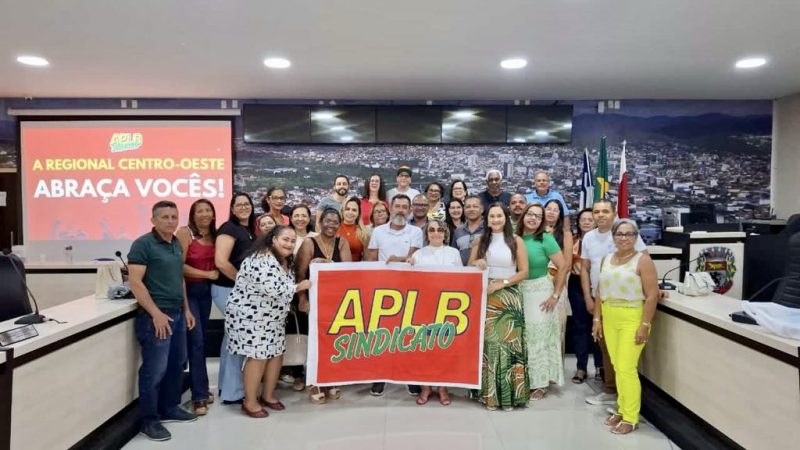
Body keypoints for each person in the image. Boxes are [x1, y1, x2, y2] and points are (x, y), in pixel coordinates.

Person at [128, 201, 197, 441]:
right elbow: (135, 283)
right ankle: (149, 420)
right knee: (154, 370)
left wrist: (186, 309)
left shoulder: (176, 243)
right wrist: (156, 314)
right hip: (156, 316)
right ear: (153, 220)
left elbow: (179, 279)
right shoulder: (143, 244)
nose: (170, 221)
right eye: (165, 217)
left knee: (176, 364)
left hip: (177, 314)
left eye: (173, 216)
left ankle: (169, 408)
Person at [226, 226, 311, 418]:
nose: (288, 244)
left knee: (276, 354)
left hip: (273, 318)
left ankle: (268, 395)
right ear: (273, 239)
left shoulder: (284, 259)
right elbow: (273, 288)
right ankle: (249, 402)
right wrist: (300, 286)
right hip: (251, 317)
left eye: (292, 241)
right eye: (285, 239)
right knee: (258, 357)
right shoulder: (260, 258)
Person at [592, 219, 658, 435]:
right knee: (617, 366)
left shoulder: (643, 260)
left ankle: (631, 417)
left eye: (629, 234)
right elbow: (601, 291)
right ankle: (622, 408)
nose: (624, 238)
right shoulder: (607, 259)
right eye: (619, 234)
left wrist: (645, 325)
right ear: (613, 236)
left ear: (636, 237)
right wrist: (597, 319)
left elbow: (651, 296)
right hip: (609, 316)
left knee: (626, 367)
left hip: (632, 317)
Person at [581, 199, 647, 407]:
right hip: (601, 300)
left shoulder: (626, 234)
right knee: (606, 348)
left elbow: (645, 262)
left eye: (605, 211)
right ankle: (611, 389)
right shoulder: (589, 237)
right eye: (596, 211)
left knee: (623, 356)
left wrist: (656, 290)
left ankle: (625, 398)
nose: (600, 215)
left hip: (628, 304)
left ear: (614, 213)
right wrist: (588, 298)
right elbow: (584, 269)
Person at [469, 203, 530, 411]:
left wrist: (502, 284)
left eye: (499, 216)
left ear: (506, 218)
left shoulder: (516, 241)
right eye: (492, 216)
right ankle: (490, 395)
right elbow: (469, 265)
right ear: (487, 219)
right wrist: (477, 262)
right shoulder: (480, 241)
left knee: (509, 345)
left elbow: (524, 272)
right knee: (490, 345)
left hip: (509, 295)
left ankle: (510, 395)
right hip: (487, 296)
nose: (495, 220)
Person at [365, 194, 424, 396]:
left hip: (409, 289)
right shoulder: (378, 232)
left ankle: (410, 378)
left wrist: (397, 259)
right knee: (382, 334)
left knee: (408, 334)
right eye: (397, 206)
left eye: (404, 207)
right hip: (383, 289)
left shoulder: (416, 232)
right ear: (390, 208)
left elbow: (413, 257)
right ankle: (379, 377)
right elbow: (370, 259)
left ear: (409, 210)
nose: (400, 210)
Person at [296, 208, 352, 403]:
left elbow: (347, 272)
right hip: (313, 301)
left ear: (339, 224)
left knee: (332, 341)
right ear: (320, 222)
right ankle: (313, 382)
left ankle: (331, 378)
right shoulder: (308, 243)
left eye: (335, 222)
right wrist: (302, 299)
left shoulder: (342, 242)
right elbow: (300, 274)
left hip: (335, 301)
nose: (331, 225)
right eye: (327, 221)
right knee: (314, 342)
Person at [516, 203, 568, 401]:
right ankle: (525, 379)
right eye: (530, 214)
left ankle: (541, 382)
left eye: (538, 217)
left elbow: (563, 266)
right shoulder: (515, 238)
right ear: (523, 216)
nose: (533, 218)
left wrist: (555, 295)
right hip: (520, 290)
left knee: (539, 337)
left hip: (541, 292)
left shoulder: (546, 239)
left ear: (542, 221)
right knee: (523, 337)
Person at [407, 219, 462, 406]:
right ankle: (425, 387)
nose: (436, 233)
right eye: (431, 230)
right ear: (427, 234)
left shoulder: (454, 253)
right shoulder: (419, 254)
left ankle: (442, 387)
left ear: (445, 233)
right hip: (425, 308)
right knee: (425, 349)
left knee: (444, 349)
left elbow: (464, 280)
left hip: (448, 310)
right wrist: (408, 265)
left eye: (440, 230)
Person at [175, 199, 219, 416]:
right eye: (199, 210)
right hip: (189, 292)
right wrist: (205, 274)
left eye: (208, 210)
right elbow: (178, 267)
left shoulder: (215, 235)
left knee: (200, 341)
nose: (204, 214)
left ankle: (200, 388)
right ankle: (199, 396)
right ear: (193, 215)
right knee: (197, 342)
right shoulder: (185, 234)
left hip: (206, 294)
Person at [212, 192, 256, 404]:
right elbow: (221, 262)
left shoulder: (247, 230)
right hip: (227, 289)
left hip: (239, 291)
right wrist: (242, 282)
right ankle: (233, 393)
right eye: (238, 204)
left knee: (231, 338)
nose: (243, 207)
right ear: (231, 208)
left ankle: (226, 387)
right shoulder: (228, 229)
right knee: (237, 339)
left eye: (246, 204)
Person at [568, 208, 602, 384]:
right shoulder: (573, 241)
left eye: (590, 219)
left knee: (597, 326)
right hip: (576, 286)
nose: (587, 222)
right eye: (583, 219)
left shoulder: (601, 242)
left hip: (597, 285)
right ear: (578, 222)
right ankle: (581, 367)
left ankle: (599, 366)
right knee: (580, 326)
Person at [543, 199, 573, 355]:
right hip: (537, 283)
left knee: (556, 326)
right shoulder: (534, 231)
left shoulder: (565, 235)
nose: (551, 212)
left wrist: (556, 285)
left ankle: (554, 370)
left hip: (557, 284)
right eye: (548, 208)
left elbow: (567, 264)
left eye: (555, 210)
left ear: (560, 214)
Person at [452, 195, 484, 265]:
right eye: (468, 207)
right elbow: (453, 254)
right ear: (464, 210)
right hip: (462, 273)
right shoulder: (458, 231)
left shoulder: (488, 229)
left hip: (485, 272)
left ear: (482, 209)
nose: (471, 209)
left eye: (475, 206)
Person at [338, 196, 370, 261]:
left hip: (355, 269)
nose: (350, 212)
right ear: (342, 211)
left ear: (358, 213)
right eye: (347, 209)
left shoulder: (364, 233)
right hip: (334, 269)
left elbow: (367, 260)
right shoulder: (334, 229)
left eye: (354, 210)